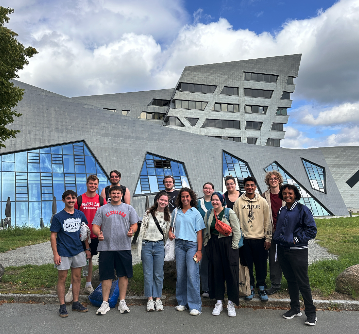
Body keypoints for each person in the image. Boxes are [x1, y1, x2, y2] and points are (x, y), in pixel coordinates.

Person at [273, 184, 317, 326]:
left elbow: (311, 230)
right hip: (283, 249)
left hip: (298, 251)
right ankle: (295, 308)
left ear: (295, 194)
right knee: (291, 280)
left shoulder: (302, 209)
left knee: (303, 282)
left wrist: (296, 239)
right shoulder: (282, 209)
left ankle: (311, 314)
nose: (287, 196)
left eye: (290, 193)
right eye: (285, 193)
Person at [92, 186, 139, 315]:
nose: (116, 195)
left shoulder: (129, 208)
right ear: (109, 194)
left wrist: (132, 230)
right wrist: (98, 233)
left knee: (123, 275)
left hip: (123, 247)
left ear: (122, 194)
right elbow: (95, 226)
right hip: (106, 247)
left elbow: (134, 224)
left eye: (118, 193)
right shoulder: (102, 209)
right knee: (106, 275)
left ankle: (122, 301)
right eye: (114, 193)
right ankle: (105, 302)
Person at [65, 175, 107, 302]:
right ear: (87, 184)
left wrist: (102, 232)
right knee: (75, 261)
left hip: (94, 235)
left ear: (97, 185)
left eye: (95, 184)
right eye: (91, 183)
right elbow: (73, 215)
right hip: (79, 236)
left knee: (90, 258)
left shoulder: (101, 200)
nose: (93, 186)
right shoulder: (79, 199)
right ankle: (72, 288)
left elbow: (105, 216)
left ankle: (88, 284)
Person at [50, 190, 90, 318]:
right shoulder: (58, 217)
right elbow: (53, 236)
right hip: (63, 251)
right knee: (62, 278)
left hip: (78, 250)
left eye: (73, 198)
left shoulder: (80, 214)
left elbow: (85, 233)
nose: (71, 200)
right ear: (64, 200)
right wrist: (55, 254)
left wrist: (87, 249)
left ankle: (76, 302)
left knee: (77, 278)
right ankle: (62, 305)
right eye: (68, 198)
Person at [168, 187, 205, 316]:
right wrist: (170, 233)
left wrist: (199, 251)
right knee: (181, 274)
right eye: (182, 197)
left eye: (187, 196)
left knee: (192, 274)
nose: (185, 199)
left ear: (191, 198)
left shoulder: (195, 213)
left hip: (192, 246)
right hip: (179, 245)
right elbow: (171, 229)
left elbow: (199, 233)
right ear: (180, 198)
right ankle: (182, 302)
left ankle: (195, 305)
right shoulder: (176, 212)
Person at [233, 176, 271, 301]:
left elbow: (268, 221)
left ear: (255, 186)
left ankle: (261, 287)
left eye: (252, 185)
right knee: (247, 265)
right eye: (247, 185)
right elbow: (235, 222)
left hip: (260, 238)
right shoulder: (239, 202)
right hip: (245, 239)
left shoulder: (262, 202)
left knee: (261, 265)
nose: (250, 187)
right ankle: (250, 287)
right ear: (244, 187)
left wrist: (268, 238)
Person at [203, 192, 241, 317]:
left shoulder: (229, 212)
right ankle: (219, 301)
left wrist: (234, 246)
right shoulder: (209, 213)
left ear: (221, 200)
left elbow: (236, 230)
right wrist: (206, 244)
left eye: (217, 200)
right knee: (216, 273)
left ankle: (231, 302)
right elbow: (206, 231)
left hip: (228, 244)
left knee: (231, 272)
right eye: (213, 200)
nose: (214, 202)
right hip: (214, 244)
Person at [137, 191, 171, 312]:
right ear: (157, 200)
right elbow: (142, 231)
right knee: (148, 273)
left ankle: (158, 298)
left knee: (158, 274)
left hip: (159, 245)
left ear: (167, 203)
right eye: (161, 200)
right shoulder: (148, 213)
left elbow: (166, 234)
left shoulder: (168, 216)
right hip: (147, 244)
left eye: (165, 201)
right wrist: (139, 248)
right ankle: (150, 299)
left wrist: (161, 244)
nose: (163, 202)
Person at [262, 171, 285, 295]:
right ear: (268, 181)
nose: (273, 180)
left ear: (279, 180)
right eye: (271, 179)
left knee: (288, 258)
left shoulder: (286, 194)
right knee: (273, 259)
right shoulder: (264, 196)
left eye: (275, 178)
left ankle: (294, 283)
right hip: (271, 232)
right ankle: (275, 284)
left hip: (285, 232)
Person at [196, 182, 214, 298]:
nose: (207, 190)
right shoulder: (198, 202)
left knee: (215, 262)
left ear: (213, 190)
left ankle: (215, 288)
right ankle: (205, 288)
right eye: (205, 188)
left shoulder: (216, 201)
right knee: (203, 263)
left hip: (214, 236)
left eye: (209, 188)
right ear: (203, 190)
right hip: (202, 236)